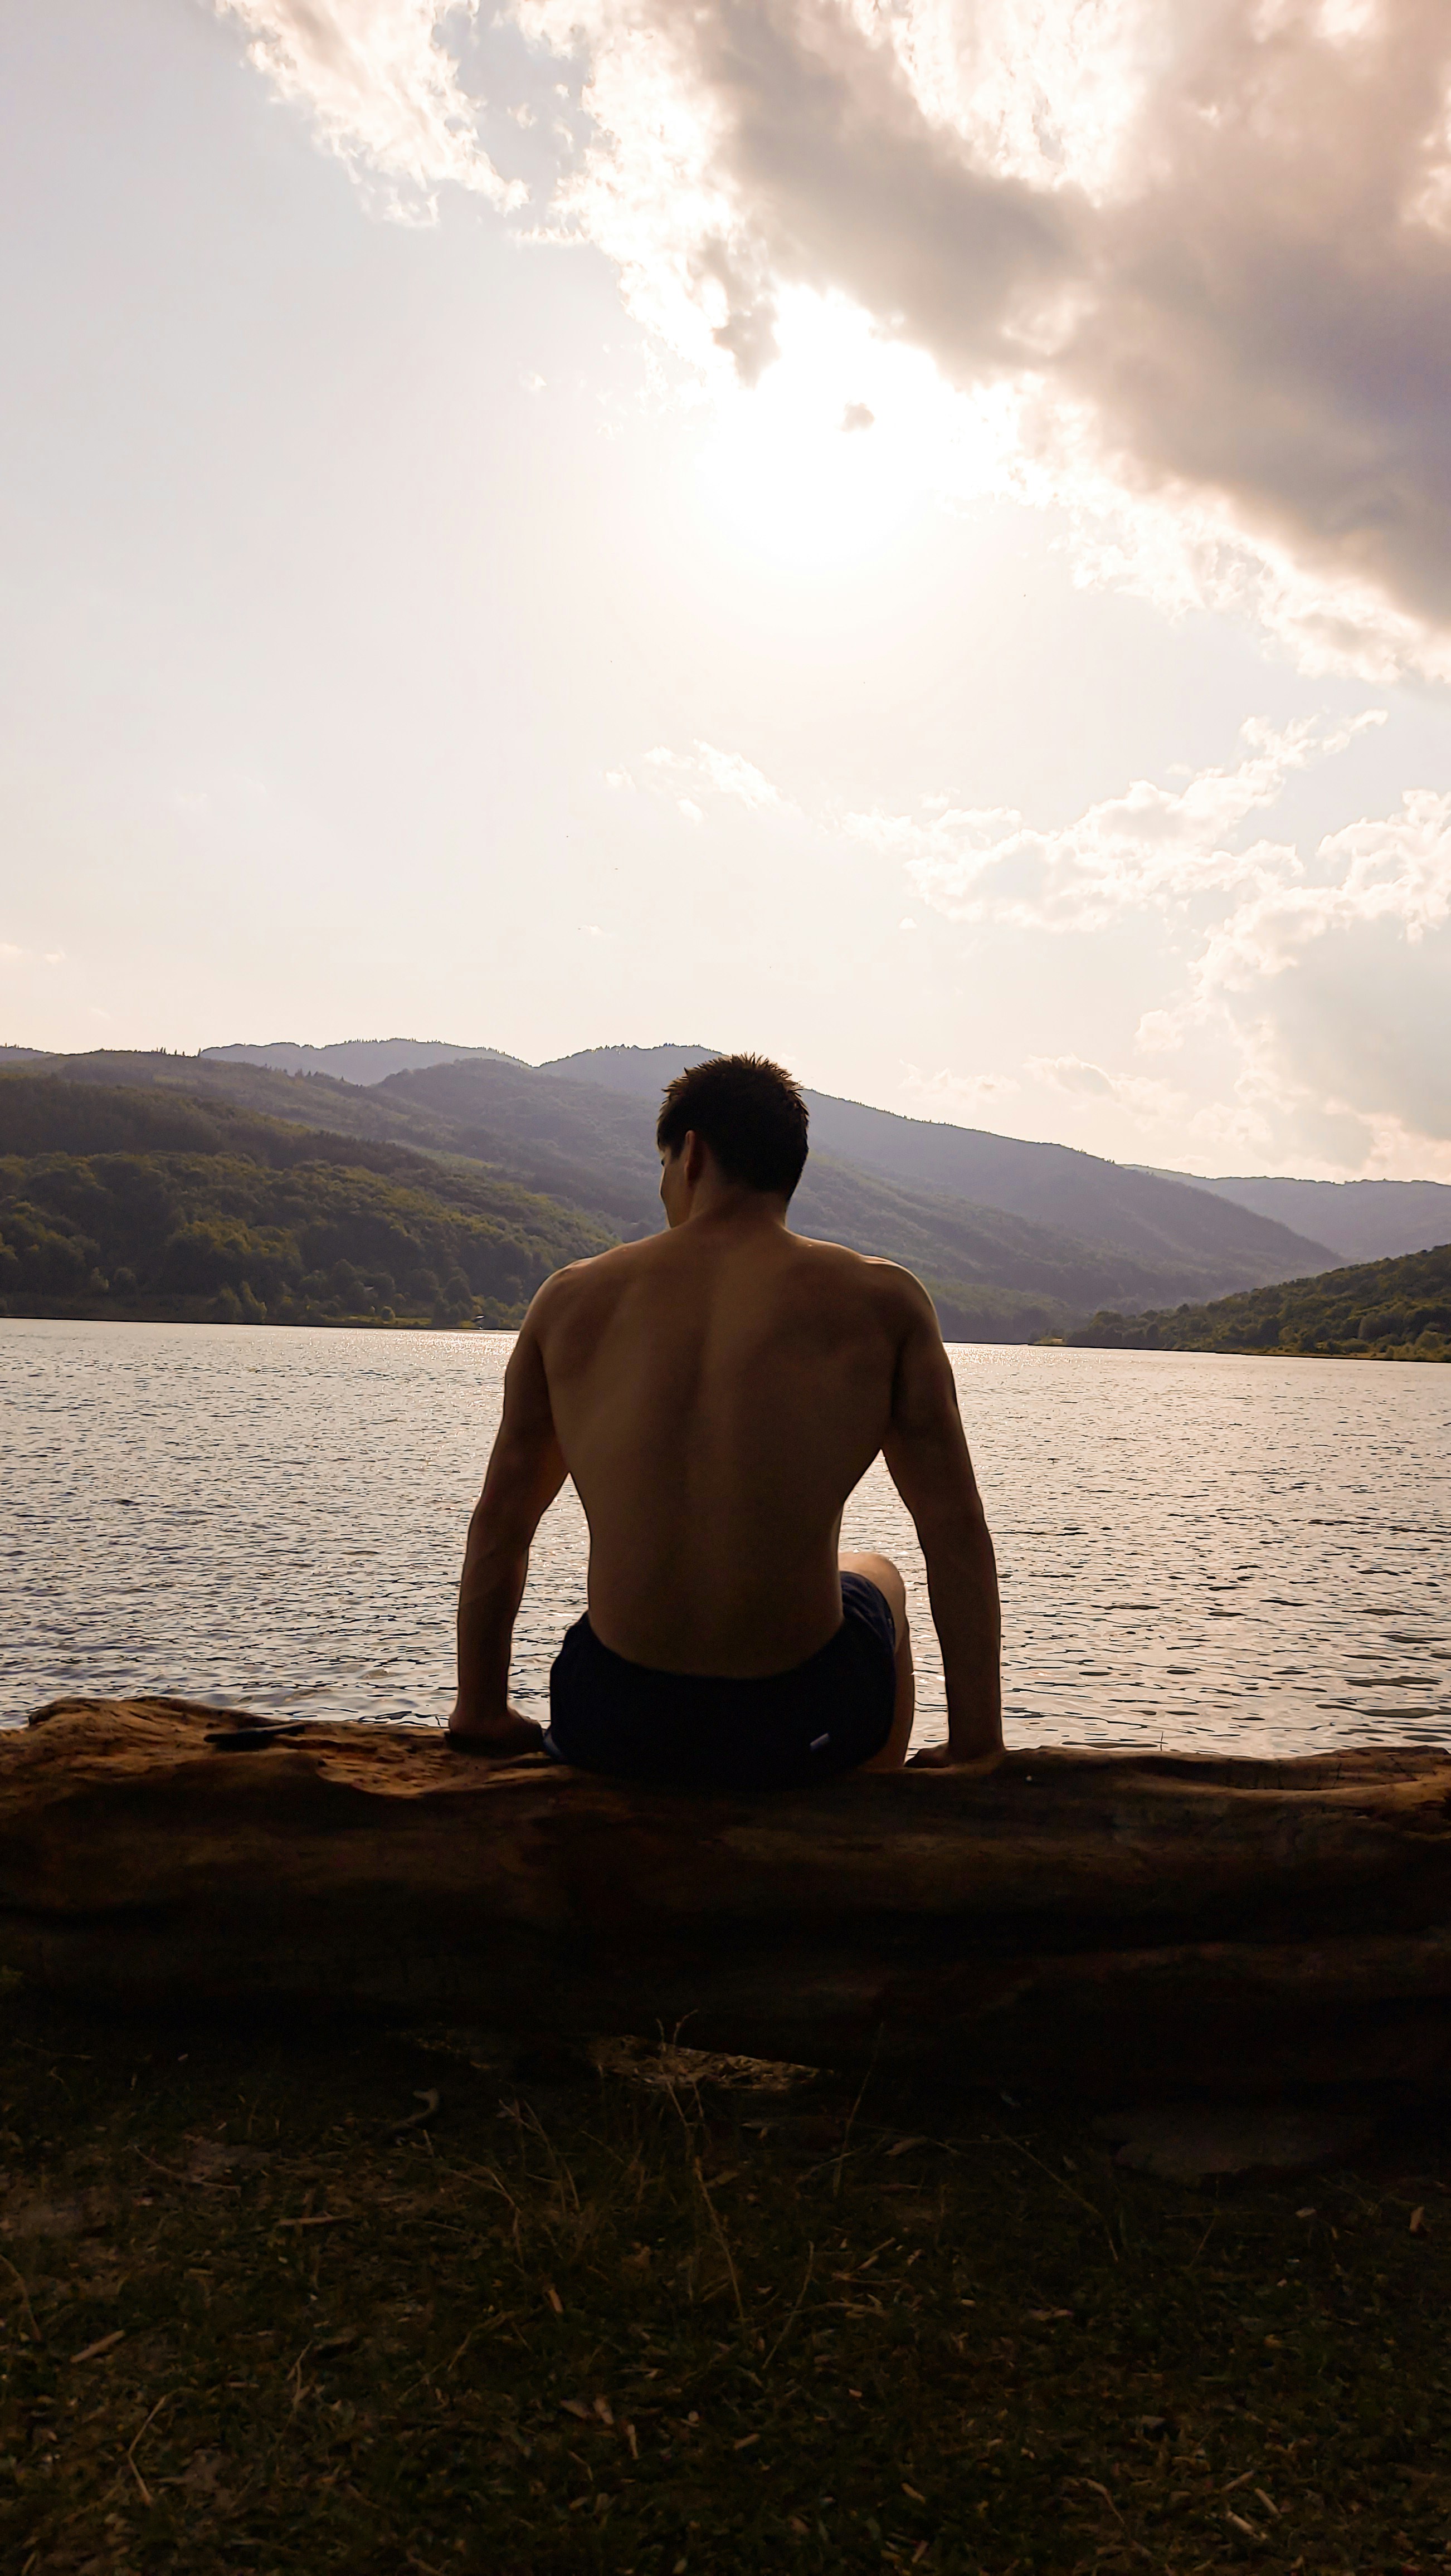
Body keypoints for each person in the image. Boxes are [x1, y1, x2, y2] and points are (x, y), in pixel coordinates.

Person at [446, 1053, 1002, 1785]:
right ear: (789, 1166)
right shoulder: (883, 1301)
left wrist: (482, 1708)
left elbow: (502, 1522)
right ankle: (867, 1801)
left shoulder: (572, 1299)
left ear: (693, 1153)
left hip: (615, 1720)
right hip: (801, 1719)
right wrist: (979, 1741)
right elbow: (954, 1528)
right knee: (878, 1573)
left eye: (663, 1162)